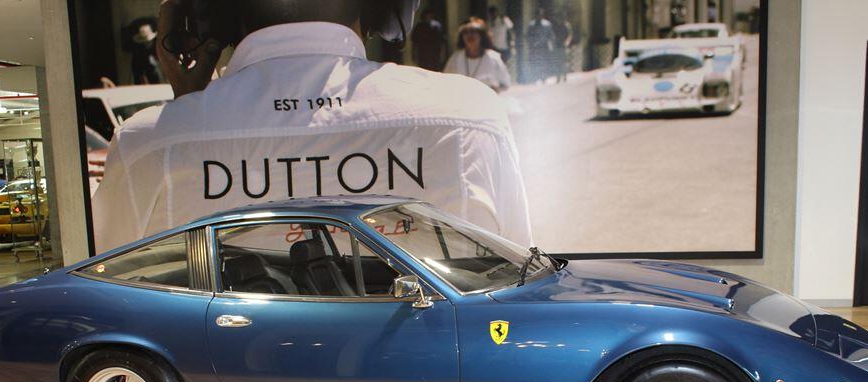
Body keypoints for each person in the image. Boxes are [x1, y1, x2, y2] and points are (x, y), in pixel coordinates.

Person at [92, 0, 531, 252]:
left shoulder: (146, 146)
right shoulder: (471, 117)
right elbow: (518, 290)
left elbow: (113, 304)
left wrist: (186, 114)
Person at [443, 18, 510, 93]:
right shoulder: (456, 58)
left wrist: (494, 91)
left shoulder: (493, 57)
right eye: (465, 32)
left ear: (482, 35)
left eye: (473, 31)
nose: (469, 35)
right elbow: (445, 82)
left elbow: (505, 84)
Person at [525, 8, 555, 84]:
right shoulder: (531, 25)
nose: (539, 16)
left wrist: (550, 44)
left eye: (540, 14)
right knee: (534, 62)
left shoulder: (547, 24)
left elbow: (551, 35)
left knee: (544, 62)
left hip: (544, 47)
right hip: (534, 47)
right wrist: (531, 43)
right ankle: (535, 77)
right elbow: (527, 36)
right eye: (537, 14)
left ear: (542, 15)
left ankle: (543, 77)